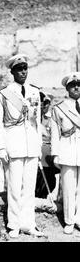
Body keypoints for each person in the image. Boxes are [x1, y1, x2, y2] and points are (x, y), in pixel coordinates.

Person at [0, 53, 44, 238]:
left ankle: (28, 224)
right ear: (12, 71)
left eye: (25, 68)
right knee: (14, 188)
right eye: (19, 69)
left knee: (29, 189)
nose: (23, 72)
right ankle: (14, 224)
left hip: (31, 147)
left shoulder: (34, 92)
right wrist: (1, 147)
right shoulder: (4, 94)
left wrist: (38, 149)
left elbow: (37, 123)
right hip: (13, 146)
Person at [50, 72, 80, 234]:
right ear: (67, 88)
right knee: (68, 188)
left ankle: (79, 219)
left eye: (79, 85)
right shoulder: (60, 107)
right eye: (73, 85)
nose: (76, 87)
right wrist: (55, 154)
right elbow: (55, 133)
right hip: (67, 151)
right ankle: (69, 221)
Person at [35, 92, 59, 199]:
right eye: (43, 103)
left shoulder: (49, 118)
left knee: (47, 181)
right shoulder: (33, 117)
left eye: (46, 104)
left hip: (47, 155)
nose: (44, 106)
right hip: (35, 153)